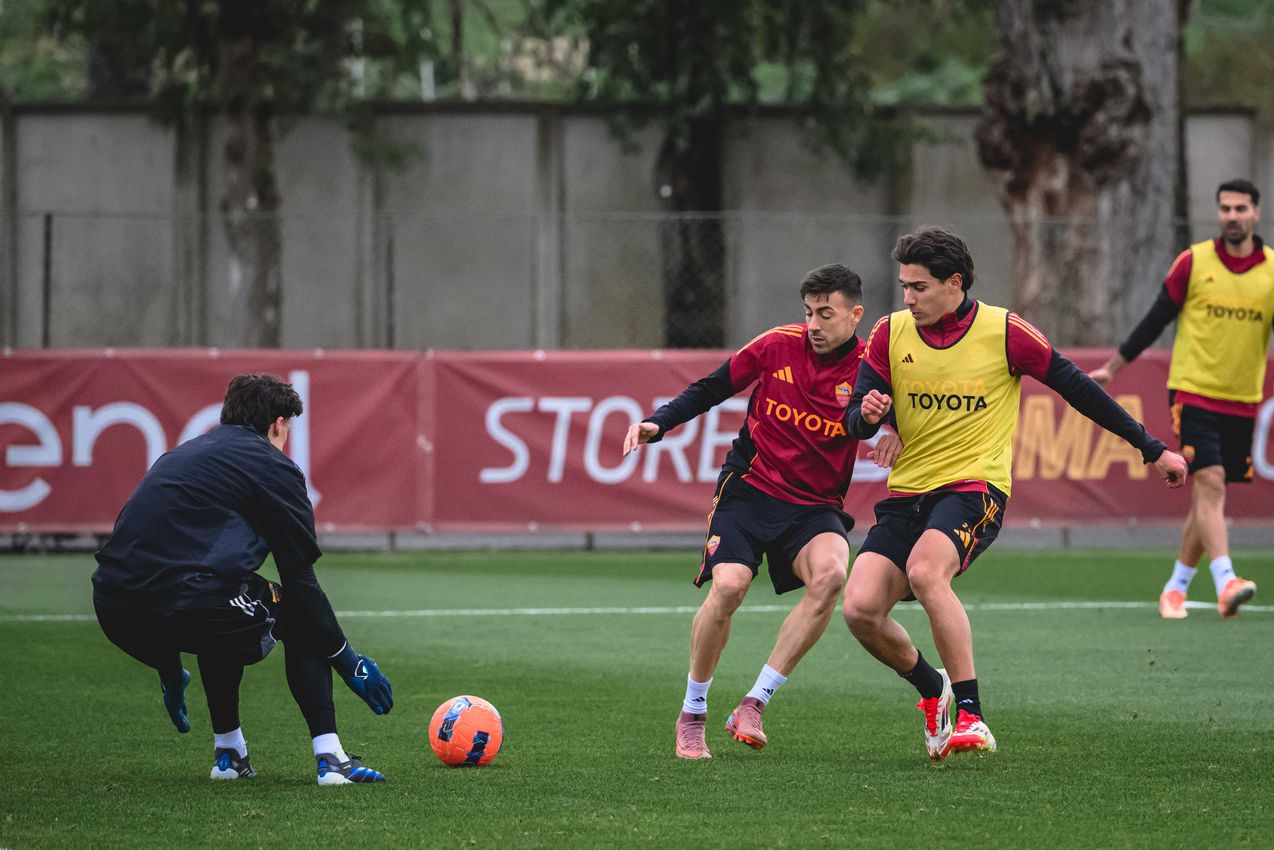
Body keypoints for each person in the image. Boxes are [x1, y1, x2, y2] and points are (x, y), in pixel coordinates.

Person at [843, 228, 1187, 761]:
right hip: (908, 490)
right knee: (860, 609)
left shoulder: (1004, 331)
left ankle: (974, 717)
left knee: (925, 571)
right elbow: (855, 417)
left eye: (919, 287)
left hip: (974, 487)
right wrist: (869, 417)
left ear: (955, 283)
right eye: (904, 286)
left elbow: (1079, 388)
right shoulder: (890, 333)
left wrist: (1150, 447)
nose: (908, 298)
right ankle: (933, 690)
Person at [623, 264, 899, 759]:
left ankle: (754, 703)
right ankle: (693, 712)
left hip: (814, 507)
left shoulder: (872, 366)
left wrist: (896, 427)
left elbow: (902, 409)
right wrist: (657, 423)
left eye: (826, 314)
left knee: (834, 574)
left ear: (856, 316)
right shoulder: (776, 346)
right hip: (748, 492)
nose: (813, 324)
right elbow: (710, 389)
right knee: (729, 586)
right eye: (809, 313)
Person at [93, 373, 394, 785]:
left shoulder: (178, 456)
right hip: (192, 600)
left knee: (228, 603)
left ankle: (230, 754)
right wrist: (349, 661)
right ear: (277, 424)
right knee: (293, 610)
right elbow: (301, 583)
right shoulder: (275, 468)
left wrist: (166, 665)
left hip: (113, 606)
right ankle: (331, 759)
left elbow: (151, 559)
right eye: (288, 426)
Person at [1090, 179, 1272, 620]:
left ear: (1256, 214)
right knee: (1209, 483)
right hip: (1193, 391)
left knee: (1209, 497)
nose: (1232, 216)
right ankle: (1227, 580)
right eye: (1225, 208)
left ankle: (1176, 587)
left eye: (1240, 208)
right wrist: (1113, 367)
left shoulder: (1271, 271)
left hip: (1243, 398)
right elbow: (1156, 318)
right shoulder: (1194, 262)